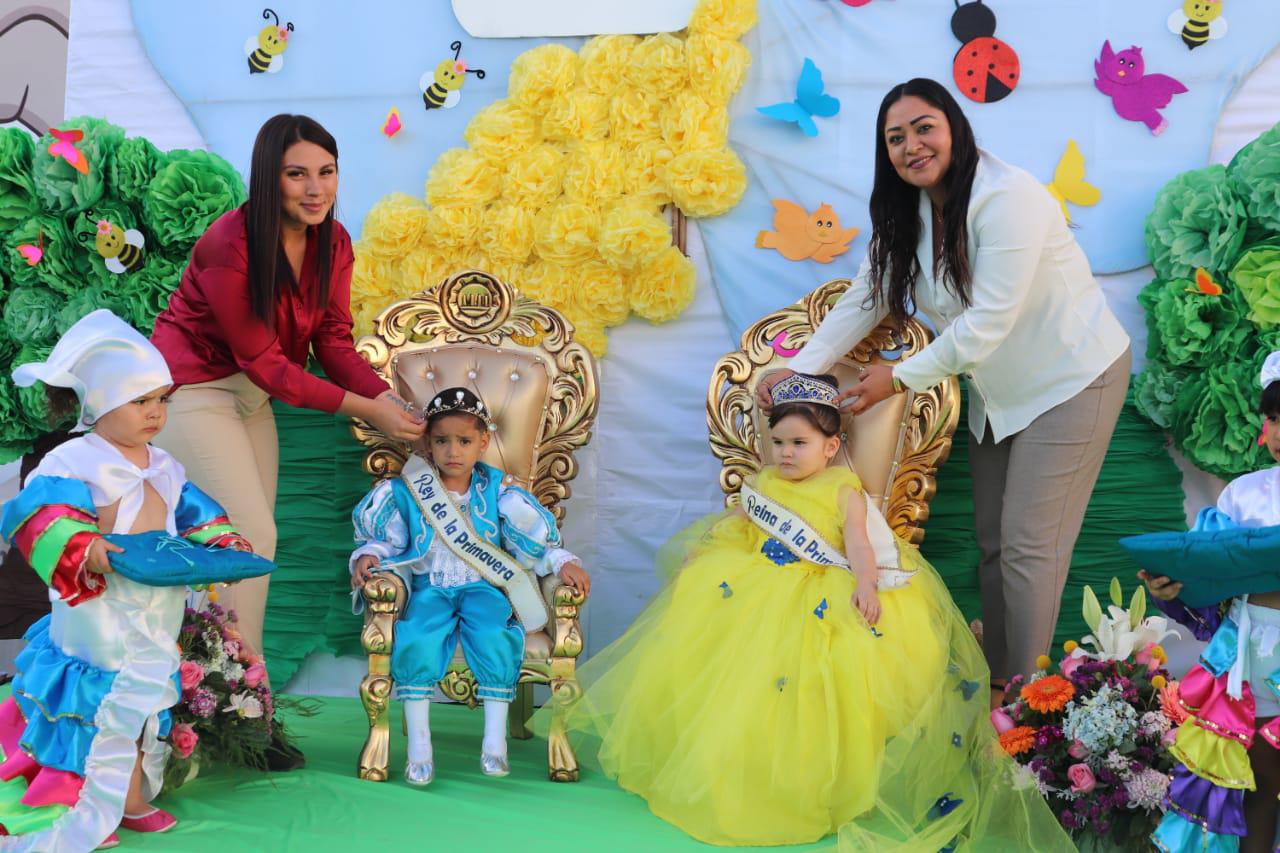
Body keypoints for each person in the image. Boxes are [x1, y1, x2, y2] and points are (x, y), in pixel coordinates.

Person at [546, 373, 1072, 849]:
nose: (786, 454)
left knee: (819, 678)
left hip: (821, 589)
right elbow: (740, 528)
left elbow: (861, 545)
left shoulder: (842, 488)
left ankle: (814, 781)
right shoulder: (767, 485)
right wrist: (702, 553)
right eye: (778, 443)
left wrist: (865, 583)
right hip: (751, 584)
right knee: (731, 676)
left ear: (831, 446)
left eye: (799, 443)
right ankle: (737, 769)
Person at [757, 78, 1131, 705]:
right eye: (895, 138)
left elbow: (990, 321)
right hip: (999, 389)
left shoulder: (1008, 197)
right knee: (993, 547)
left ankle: (1027, 712)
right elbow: (869, 294)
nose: (911, 145)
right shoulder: (910, 210)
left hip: (1072, 379)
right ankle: (999, 690)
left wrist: (897, 378)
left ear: (953, 125)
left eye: (923, 127)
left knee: (1028, 549)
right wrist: (799, 365)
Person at [150, 115, 424, 766]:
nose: (315, 188)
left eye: (326, 172)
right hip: (193, 387)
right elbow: (269, 363)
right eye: (297, 173)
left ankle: (226, 709)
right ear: (269, 177)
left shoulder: (335, 242)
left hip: (249, 395)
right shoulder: (231, 245)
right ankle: (244, 712)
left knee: (247, 547)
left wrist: (385, 397)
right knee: (251, 540)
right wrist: (368, 410)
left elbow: (331, 341)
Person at [0, 311, 255, 851]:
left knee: (142, 705)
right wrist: (84, 545)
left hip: (154, 609)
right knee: (92, 704)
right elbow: (41, 515)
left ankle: (131, 797)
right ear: (98, 405)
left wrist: (223, 541)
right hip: (95, 610)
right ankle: (79, 801)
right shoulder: (72, 459)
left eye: (162, 399)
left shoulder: (165, 463)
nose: (156, 413)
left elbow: (195, 510)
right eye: (141, 401)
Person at [349, 387, 590, 785]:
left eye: (463, 441)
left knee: (496, 635)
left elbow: (529, 546)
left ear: (483, 442)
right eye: (442, 441)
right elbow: (386, 542)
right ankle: (419, 748)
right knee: (417, 639)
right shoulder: (407, 491)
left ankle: (495, 744)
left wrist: (562, 563)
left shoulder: (499, 492)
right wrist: (368, 555)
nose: (452, 452)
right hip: (430, 588)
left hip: (483, 589)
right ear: (428, 442)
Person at [1140, 351, 1280, 853]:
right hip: (1250, 657)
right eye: (1274, 416)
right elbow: (1209, 587)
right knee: (1257, 785)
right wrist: (1173, 589)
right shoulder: (1242, 496)